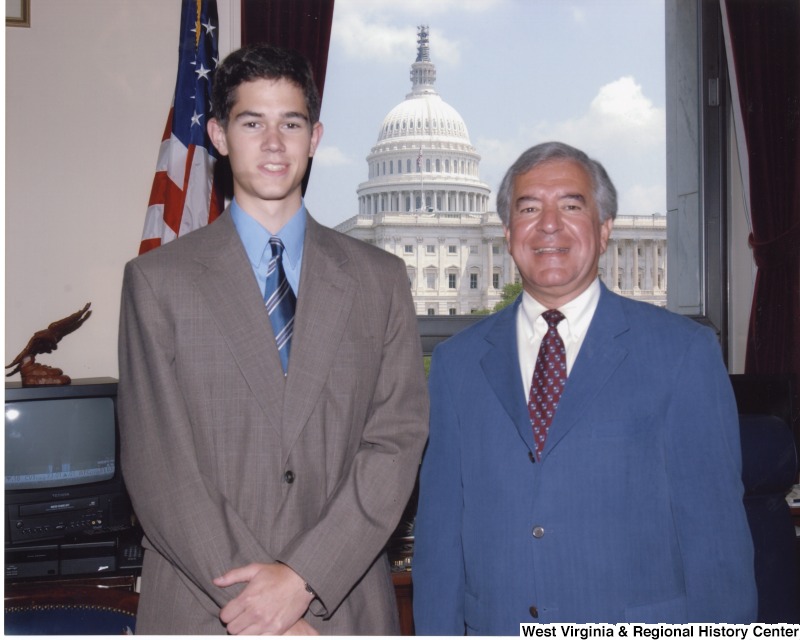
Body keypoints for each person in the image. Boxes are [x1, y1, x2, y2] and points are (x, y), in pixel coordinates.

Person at [118, 44, 428, 635]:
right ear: (217, 134)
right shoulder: (156, 282)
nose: (274, 143)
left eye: (291, 123)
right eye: (251, 122)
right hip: (207, 606)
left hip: (340, 609)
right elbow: (160, 467)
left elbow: (395, 445)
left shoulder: (380, 280)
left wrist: (303, 577)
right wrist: (263, 608)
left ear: (315, 137)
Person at [412, 141, 757, 633]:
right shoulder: (456, 364)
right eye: (529, 208)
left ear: (604, 229)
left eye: (571, 206)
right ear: (508, 234)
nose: (548, 224)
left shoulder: (683, 354)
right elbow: (440, 537)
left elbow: (716, 542)